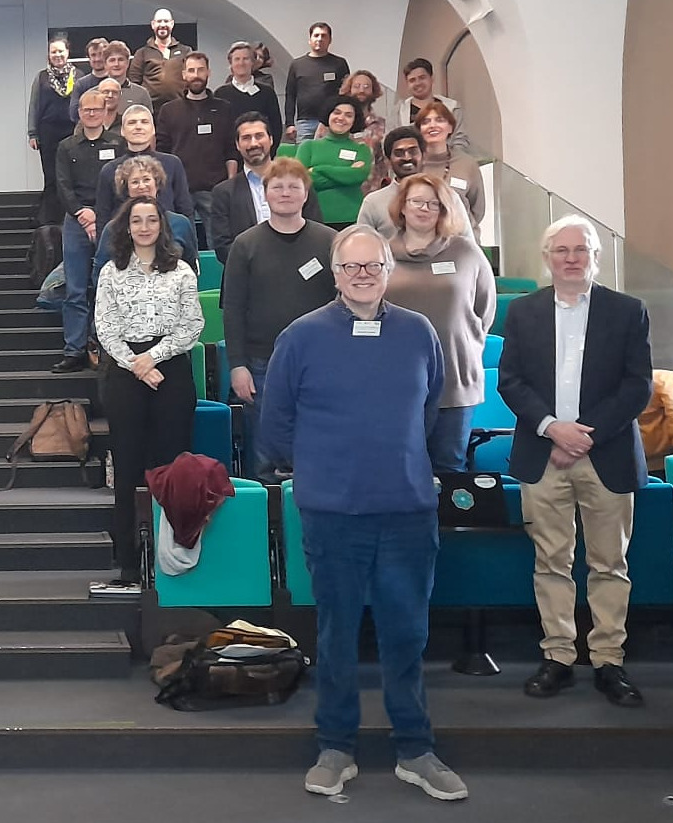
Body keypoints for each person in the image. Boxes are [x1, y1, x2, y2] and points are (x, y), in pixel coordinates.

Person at [262, 225, 466, 803]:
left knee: (407, 632)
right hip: (332, 513)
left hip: (405, 509)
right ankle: (336, 746)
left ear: (388, 269)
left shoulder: (418, 332)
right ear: (334, 273)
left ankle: (415, 749)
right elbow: (275, 425)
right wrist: (327, 466)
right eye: (350, 267)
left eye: (372, 266)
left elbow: (428, 408)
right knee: (337, 633)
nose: (362, 276)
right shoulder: (300, 338)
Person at [498, 215, 652, 709]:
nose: (570, 258)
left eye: (580, 250)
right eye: (560, 250)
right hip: (544, 453)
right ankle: (559, 655)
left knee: (610, 563)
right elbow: (511, 381)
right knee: (551, 562)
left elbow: (637, 385)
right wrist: (552, 428)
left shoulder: (628, 311)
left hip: (605, 454)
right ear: (547, 258)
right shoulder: (523, 313)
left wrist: (583, 434)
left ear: (595, 257)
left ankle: (608, 659)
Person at [91, 195, 203, 596]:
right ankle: (129, 566)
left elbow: (193, 324)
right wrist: (135, 362)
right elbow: (105, 324)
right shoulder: (111, 271)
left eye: (150, 219)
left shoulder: (182, 271)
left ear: (162, 225)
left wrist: (152, 358)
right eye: (136, 220)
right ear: (126, 227)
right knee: (129, 468)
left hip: (171, 367)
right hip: (124, 370)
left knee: (172, 464)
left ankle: (174, 560)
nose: (143, 227)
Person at [220, 158, 337, 481]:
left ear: (305, 194)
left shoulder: (329, 242)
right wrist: (238, 365)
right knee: (265, 453)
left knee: (319, 445)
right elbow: (233, 308)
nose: (285, 193)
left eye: (293, 186)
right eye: (278, 186)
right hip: (261, 363)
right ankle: (271, 524)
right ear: (266, 194)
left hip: (320, 361)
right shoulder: (245, 245)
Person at [383, 173, 495, 473]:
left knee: (449, 468)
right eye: (416, 201)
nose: (424, 208)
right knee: (398, 469)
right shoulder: (382, 254)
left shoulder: (466, 252)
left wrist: (461, 339)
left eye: (433, 203)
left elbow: (484, 310)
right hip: (396, 383)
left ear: (444, 210)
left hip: (454, 380)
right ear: (402, 207)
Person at [52, 90, 123, 374]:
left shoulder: (118, 144)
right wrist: (83, 214)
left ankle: (107, 348)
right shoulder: (66, 147)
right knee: (75, 289)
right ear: (79, 112)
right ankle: (74, 350)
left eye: (97, 109)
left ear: (106, 111)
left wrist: (102, 217)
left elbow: (120, 183)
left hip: (112, 220)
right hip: (76, 219)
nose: (91, 114)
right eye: (86, 109)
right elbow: (62, 185)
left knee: (110, 288)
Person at [208, 113, 324, 263]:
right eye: (246, 138)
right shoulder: (223, 192)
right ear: (237, 145)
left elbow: (315, 230)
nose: (253, 143)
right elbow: (223, 247)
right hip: (248, 277)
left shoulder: (298, 184)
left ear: (271, 139)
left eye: (259, 136)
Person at [155, 52, 238, 226]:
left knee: (218, 243)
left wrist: (230, 183)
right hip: (179, 188)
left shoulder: (224, 108)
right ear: (184, 74)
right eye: (191, 70)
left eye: (200, 70)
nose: (196, 75)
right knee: (181, 242)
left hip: (215, 188)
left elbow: (231, 149)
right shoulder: (168, 110)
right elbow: (162, 151)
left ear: (208, 72)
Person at [92, 155, 197, 285]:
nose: (141, 186)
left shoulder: (181, 223)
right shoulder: (113, 228)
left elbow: (191, 265)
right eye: (135, 182)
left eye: (146, 179)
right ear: (127, 189)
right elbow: (100, 272)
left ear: (157, 184)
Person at [357, 126, 471, 240]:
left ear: (424, 156)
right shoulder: (373, 202)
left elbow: (468, 244)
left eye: (413, 151)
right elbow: (361, 247)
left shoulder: (449, 197)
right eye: (399, 153)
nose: (407, 158)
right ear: (388, 161)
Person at [94, 105, 192, 230]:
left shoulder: (172, 163)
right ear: (122, 131)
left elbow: (185, 208)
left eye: (144, 122)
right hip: (123, 241)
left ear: (153, 129)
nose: (138, 127)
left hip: (167, 238)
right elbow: (103, 216)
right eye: (132, 122)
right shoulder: (109, 170)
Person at [295, 96, 371, 228]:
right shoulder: (308, 147)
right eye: (337, 112)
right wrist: (345, 175)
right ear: (328, 114)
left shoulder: (361, 149)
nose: (341, 118)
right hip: (315, 217)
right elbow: (301, 181)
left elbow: (357, 176)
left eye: (348, 115)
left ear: (354, 120)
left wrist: (319, 169)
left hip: (352, 217)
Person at [29, 37, 82, 225]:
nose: (57, 55)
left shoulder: (79, 75)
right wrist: (32, 133)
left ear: (68, 52)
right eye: (53, 52)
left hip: (72, 131)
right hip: (48, 132)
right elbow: (34, 105)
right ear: (48, 55)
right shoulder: (42, 77)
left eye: (61, 51)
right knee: (51, 176)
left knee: (71, 175)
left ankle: (70, 214)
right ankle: (49, 219)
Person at [415, 101, 483, 233]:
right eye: (426, 122)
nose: (432, 125)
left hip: (462, 240)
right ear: (419, 130)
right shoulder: (412, 164)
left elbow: (477, 209)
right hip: (422, 239)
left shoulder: (467, 164)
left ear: (451, 128)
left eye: (439, 120)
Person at [285, 22, 351, 143]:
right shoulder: (297, 64)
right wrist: (289, 123)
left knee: (329, 156)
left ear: (330, 40)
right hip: (305, 122)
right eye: (316, 35)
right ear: (309, 40)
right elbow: (290, 95)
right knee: (304, 159)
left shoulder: (339, 63)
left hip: (332, 120)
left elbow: (346, 94)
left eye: (324, 36)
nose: (320, 39)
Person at [397, 58, 469, 152]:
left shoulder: (452, 107)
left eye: (422, 77)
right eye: (412, 80)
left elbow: (460, 140)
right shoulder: (398, 112)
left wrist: (452, 162)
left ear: (431, 79)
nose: (418, 83)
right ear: (407, 84)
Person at [214, 41, 282, 138]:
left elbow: (276, 126)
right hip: (230, 151)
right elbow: (218, 129)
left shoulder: (267, 92)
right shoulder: (220, 94)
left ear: (253, 62)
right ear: (231, 63)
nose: (241, 63)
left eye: (245, 59)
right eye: (237, 59)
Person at [132, 8, 193, 108]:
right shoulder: (142, 53)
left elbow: (191, 78)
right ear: (153, 24)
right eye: (159, 21)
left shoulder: (186, 51)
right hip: (151, 108)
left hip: (180, 107)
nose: (162, 25)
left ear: (172, 24)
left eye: (166, 21)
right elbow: (134, 82)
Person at [341, 70, 390, 194]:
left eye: (366, 87)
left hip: (374, 191)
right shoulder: (334, 123)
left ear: (374, 91)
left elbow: (386, 160)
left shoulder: (382, 125)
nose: (361, 90)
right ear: (349, 90)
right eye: (356, 86)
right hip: (340, 191)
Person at [99, 43, 153, 117]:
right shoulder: (94, 93)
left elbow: (148, 123)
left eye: (120, 59)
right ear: (105, 64)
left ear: (127, 63)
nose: (116, 64)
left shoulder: (142, 94)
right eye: (112, 60)